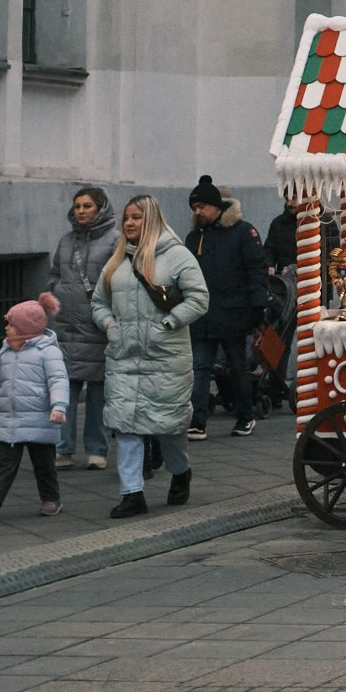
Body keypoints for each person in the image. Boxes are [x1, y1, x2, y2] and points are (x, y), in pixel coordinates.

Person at [94, 195, 208, 518]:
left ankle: (180, 470)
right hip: (124, 357)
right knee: (125, 425)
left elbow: (199, 298)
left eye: (137, 217)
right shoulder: (117, 259)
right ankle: (132, 493)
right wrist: (111, 326)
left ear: (152, 220)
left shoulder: (176, 256)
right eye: (126, 217)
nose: (129, 223)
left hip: (166, 358)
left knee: (169, 427)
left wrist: (169, 323)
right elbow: (99, 302)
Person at [0, 299, 68, 517]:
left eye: (11, 324)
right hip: (10, 421)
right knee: (5, 464)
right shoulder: (5, 352)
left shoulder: (47, 352)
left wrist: (59, 407)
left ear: (25, 328)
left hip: (40, 420)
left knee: (44, 465)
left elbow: (58, 380)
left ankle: (51, 498)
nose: (6, 328)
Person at [185, 178, 267, 437]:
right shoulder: (194, 236)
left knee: (238, 366)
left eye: (202, 206)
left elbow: (256, 270)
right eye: (194, 206)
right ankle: (197, 421)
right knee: (199, 368)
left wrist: (258, 307)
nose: (197, 211)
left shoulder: (242, 232)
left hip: (233, 313)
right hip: (202, 316)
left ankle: (245, 417)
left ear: (216, 207)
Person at [47, 184, 116, 469]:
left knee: (99, 391)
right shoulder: (66, 240)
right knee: (65, 390)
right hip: (67, 325)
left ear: (100, 208)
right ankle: (63, 448)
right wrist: (57, 295)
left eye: (87, 206)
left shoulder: (114, 240)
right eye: (77, 206)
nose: (81, 211)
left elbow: (118, 280)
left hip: (98, 325)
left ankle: (97, 449)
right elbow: (54, 273)